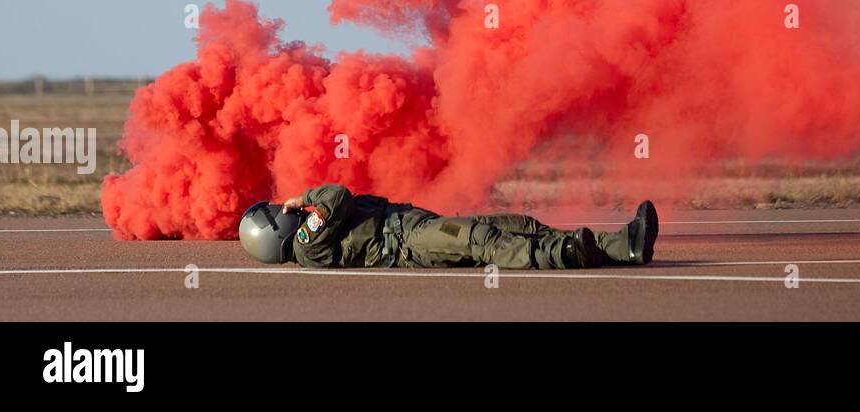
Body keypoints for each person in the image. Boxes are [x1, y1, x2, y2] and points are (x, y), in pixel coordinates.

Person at [238, 182, 658, 271]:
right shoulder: (308, 244)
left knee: (518, 223)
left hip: (413, 225)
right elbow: (338, 197)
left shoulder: (309, 236)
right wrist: (305, 196)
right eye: (281, 211)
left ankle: (623, 246)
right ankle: (563, 255)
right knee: (482, 241)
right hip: (406, 242)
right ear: (274, 231)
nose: (287, 209)